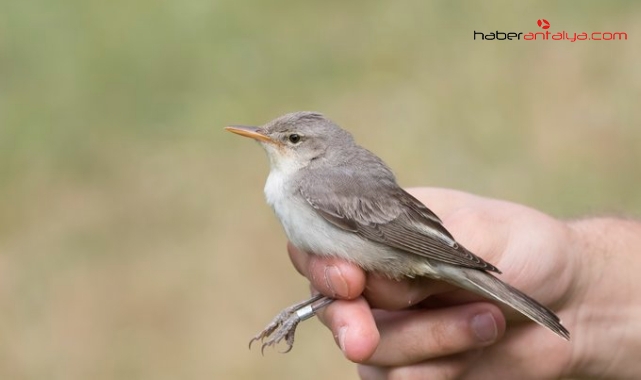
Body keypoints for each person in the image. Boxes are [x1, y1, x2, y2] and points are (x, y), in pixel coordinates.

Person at [287, 187, 641, 379]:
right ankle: (300, 312)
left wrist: (582, 287)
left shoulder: (315, 188)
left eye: (293, 139)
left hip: (410, 250)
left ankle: (299, 312)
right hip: (411, 250)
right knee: (345, 286)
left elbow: (397, 233)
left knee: (348, 285)